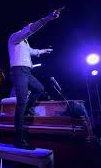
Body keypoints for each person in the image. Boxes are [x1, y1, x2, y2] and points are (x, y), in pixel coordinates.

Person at [8, 8, 62, 149]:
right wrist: (47, 18)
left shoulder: (25, 43)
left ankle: (27, 109)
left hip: (27, 71)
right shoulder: (14, 37)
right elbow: (29, 29)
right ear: (21, 28)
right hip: (18, 71)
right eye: (25, 26)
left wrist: (44, 51)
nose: (27, 29)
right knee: (22, 100)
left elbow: (33, 51)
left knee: (39, 88)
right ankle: (19, 139)